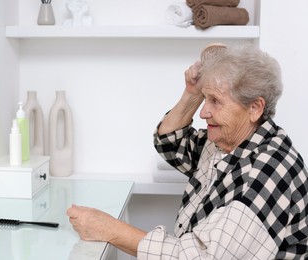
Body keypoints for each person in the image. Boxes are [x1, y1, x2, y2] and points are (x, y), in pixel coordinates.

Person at [66, 43, 308, 259]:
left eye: (215, 101)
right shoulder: (226, 142)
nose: (203, 112)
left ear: (255, 108)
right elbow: (169, 142)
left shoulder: (270, 170)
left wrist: (110, 229)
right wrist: (192, 94)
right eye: (204, 99)